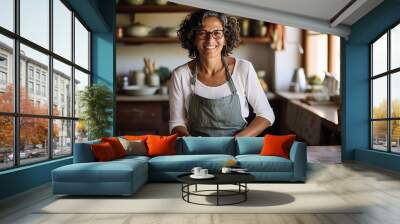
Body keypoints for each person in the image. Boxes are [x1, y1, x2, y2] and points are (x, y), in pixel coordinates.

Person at [169, 10, 275, 137]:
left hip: (237, 152)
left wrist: (238, 139)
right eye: (202, 33)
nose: (210, 40)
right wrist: (192, 144)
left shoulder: (243, 69)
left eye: (217, 33)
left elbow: (266, 114)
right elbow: (176, 123)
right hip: (198, 152)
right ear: (193, 38)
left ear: (225, 38)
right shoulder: (180, 75)